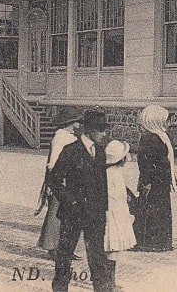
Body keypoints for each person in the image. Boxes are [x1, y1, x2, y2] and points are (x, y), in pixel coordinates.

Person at [49, 109, 114, 292]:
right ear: (89, 129)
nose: (104, 133)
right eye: (100, 129)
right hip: (73, 213)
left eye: (105, 129)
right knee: (64, 255)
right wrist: (70, 202)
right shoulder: (71, 150)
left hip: (95, 214)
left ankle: (102, 289)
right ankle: (60, 289)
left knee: (97, 256)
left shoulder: (100, 152)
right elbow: (54, 180)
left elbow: (102, 184)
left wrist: (103, 210)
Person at [37, 106, 83, 258]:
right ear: (70, 123)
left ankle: (66, 248)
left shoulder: (69, 137)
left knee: (69, 216)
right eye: (77, 121)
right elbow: (53, 162)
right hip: (61, 180)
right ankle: (52, 247)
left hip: (71, 181)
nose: (79, 124)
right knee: (56, 214)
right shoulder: (61, 138)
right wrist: (53, 183)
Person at [133, 104, 177, 252]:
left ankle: (161, 242)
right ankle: (151, 242)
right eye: (166, 120)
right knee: (151, 212)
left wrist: (172, 177)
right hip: (153, 183)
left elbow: (167, 160)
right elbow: (144, 163)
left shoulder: (161, 136)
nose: (168, 124)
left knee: (160, 211)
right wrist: (146, 182)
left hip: (161, 182)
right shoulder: (149, 138)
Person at [103, 139, 137, 256]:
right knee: (113, 244)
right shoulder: (114, 173)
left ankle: (108, 269)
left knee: (112, 245)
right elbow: (116, 194)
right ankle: (109, 271)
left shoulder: (111, 171)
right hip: (115, 212)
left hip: (115, 210)